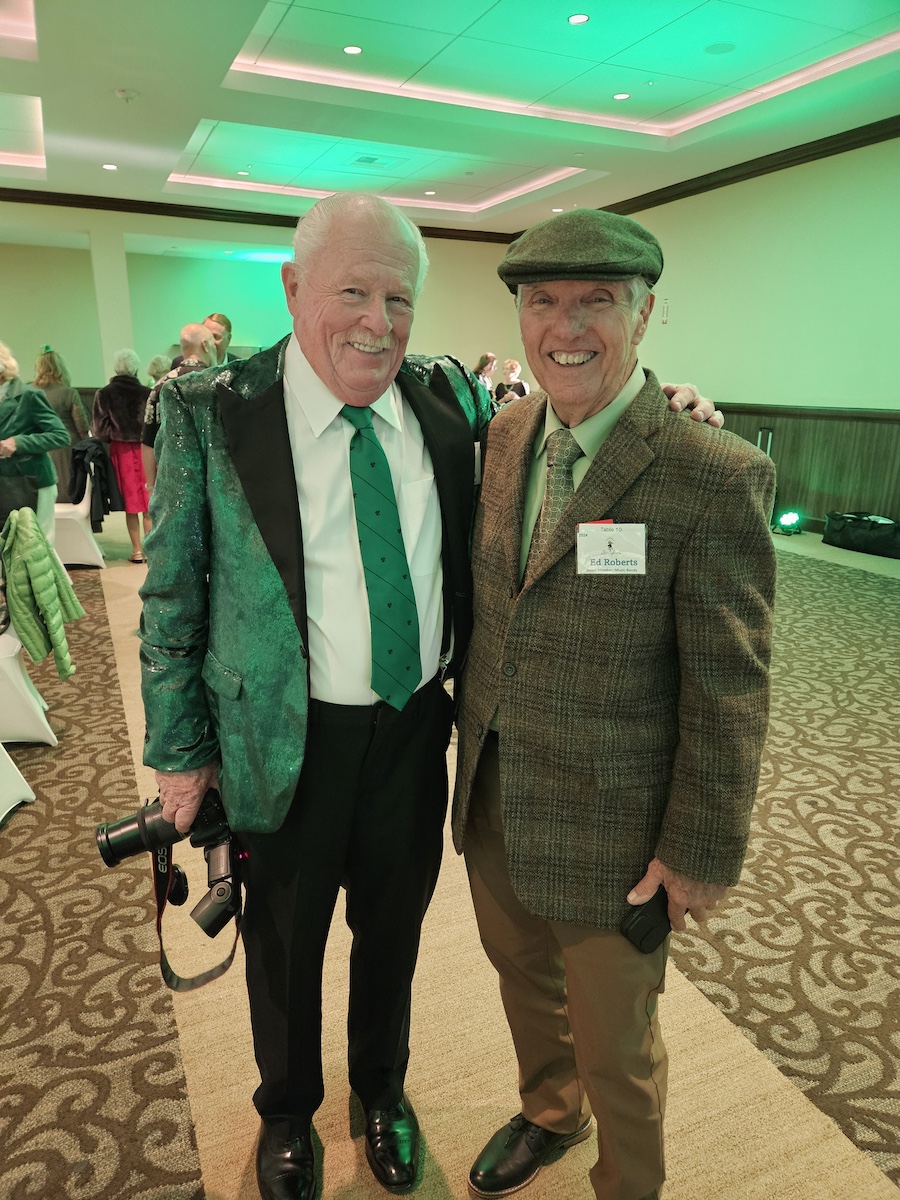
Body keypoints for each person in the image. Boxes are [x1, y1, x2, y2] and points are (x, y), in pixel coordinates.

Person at [138, 192, 718, 1200]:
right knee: (285, 940)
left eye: (398, 297)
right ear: (293, 289)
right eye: (352, 292)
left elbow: (580, 451)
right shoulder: (209, 410)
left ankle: (381, 1093)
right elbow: (172, 595)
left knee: (393, 930)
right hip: (282, 735)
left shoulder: (448, 398)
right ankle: (286, 1112)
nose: (377, 320)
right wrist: (181, 752)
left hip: (417, 730)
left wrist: (677, 415)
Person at [452, 209, 776, 1200]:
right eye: (543, 302)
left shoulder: (712, 473)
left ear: (645, 312)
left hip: (618, 832)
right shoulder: (506, 435)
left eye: (597, 300)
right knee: (522, 985)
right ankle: (550, 1109)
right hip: (495, 792)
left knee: (620, 1048)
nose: (566, 325)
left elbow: (730, 687)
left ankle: (628, 1184)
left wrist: (701, 848)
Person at [0, 340, 69, 544]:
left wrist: (18, 442)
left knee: (36, 547)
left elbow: (60, 435)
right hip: (5, 483)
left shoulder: (28, 395)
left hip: (31, 482)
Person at [141, 323, 216, 495]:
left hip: (172, 484)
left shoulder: (161, 386)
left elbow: (148, 441)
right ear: (205, 345)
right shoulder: (217, 384)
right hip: (212, 483)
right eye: (212, 344)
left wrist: (151, 487)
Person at [92, 349, 151, 563]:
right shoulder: (147, 392)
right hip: (146, 448)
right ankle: (152, 551)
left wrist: (115, 434)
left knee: (131, 503)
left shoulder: (104, 394)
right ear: (135, 368)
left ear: (116, 368)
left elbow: (99, 430)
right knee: (148, 501)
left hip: (122, 450)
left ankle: (136, 551)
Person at [31, 346, 90, 501]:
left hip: (40, 448)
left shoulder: (30, 393)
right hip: (68, 450)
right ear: (60, 368)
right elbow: (82, 428)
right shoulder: (69, 393)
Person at [170, 312, 238, 368]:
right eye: (207, 335)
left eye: (215, 336)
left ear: (228, 339)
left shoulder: (239, 366)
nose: (210, 342)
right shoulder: (180, 363)